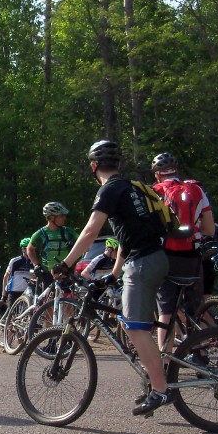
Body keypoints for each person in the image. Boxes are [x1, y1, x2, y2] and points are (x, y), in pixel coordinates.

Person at [50, 141, 172, 417]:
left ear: (94, 166)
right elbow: (127, 237)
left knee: (134, 328)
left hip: (143, 264)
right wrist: (114, 274)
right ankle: (154, 378)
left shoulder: (109, 190)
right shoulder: (131, 188)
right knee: (137, 323)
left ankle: (161, 389)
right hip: (152, 259)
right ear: (119, 164)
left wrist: (66, 264)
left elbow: (92, 230)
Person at [150, 152, 216, 349]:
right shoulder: (196, 189)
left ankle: (166, 362)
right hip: (192, 257)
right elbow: (210, 229)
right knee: (196, 309)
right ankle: (202, 358)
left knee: (166, 312)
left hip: (165, 257)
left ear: (157, 174)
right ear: (176, 171)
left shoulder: (154, 192)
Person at [27, 202, 78, 286]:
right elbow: (30, 249)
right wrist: (36, 265)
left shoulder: (69, 232)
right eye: (61, 216)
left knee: (69, 297)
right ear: (51, 217)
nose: (64, 218)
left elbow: (85, 247)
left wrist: (74, 245)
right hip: (47, 274)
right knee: (47, 298)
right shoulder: (40, 234)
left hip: (66, 272)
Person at [1, 237, 35, 306]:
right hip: (14, 290)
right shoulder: (14, 261)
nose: (26, 250)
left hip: (27, 292)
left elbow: (35, 276)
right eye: (24, 248)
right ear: (22, 249)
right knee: (12, 314)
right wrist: (4, 295)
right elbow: (6, 277)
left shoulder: (34, 261)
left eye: (29, 248)